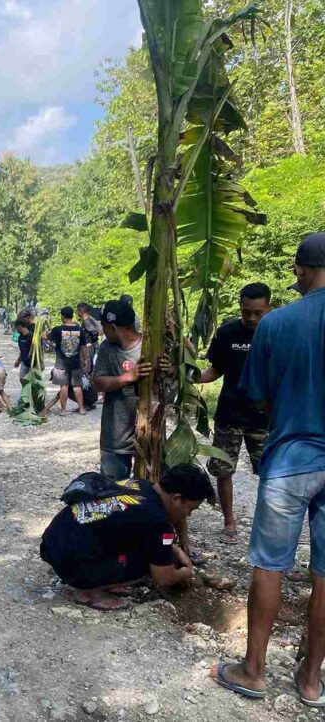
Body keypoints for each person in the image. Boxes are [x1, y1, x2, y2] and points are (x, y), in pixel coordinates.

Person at [211, 233, 325, 706]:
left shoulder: (275, 324)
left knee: (270, 566)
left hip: (290, 460)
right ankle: (312, 680)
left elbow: (256, 396)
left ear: (300, 270)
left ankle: (254, 670)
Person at [40, 465, 215, 611]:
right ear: (177, 498)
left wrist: (171, 547)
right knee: (152, 564)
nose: (188, 515)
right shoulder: (157, 520)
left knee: (156, 551)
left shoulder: (140, 484)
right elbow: (164, 578)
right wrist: (186, 571)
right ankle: (89, 591)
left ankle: (97, 574)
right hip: (70, 562)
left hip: (54, 543)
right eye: (190, 509)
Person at [196, 283, 271, 545]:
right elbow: (215, 370)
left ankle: (267, 523)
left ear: (268, 308)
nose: (251, 318)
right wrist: (189, 377)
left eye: (258, 313)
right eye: (246, 311)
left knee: (270, 474)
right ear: (240, 306)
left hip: (264, 419)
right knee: (223, 470)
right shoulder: (226, 333)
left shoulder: (276, 333)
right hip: (229, 415)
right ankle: (229, 521)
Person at [91, 300, 153, 482]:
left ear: (112, 327)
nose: (102, 330)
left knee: (147, 491)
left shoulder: (151, 346)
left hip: (149, 437)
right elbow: (98, 382)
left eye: (103, 325)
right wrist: (128, 377)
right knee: (112, 492)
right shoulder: (106, 348)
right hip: (115, 439)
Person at [45, 306, 92, 415]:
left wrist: (40, 329)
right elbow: (83, 346)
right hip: (76, 363)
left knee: (64, 386)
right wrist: (86, 359)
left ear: (62, 316)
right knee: (77, 386)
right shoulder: (79, 330)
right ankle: (82, 408)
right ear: (72, 315)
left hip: (61, 364)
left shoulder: (58, 330)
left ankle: (63, 410)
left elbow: (46, 337)